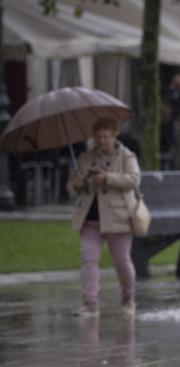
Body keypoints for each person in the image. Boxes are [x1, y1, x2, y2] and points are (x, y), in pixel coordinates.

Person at [69, 117, 140, 317]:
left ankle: (128, 299)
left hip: (117, 218)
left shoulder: (126, 156)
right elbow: (72, 186)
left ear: (114, 135)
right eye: (98, 137)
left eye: (105, 137)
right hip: (90, 218)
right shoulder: (85, 157)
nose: (101, 141)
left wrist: (107, 178)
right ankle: (90, 303)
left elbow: (134, 180)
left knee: (121, 261)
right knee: (88, 260)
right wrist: (77, 183)